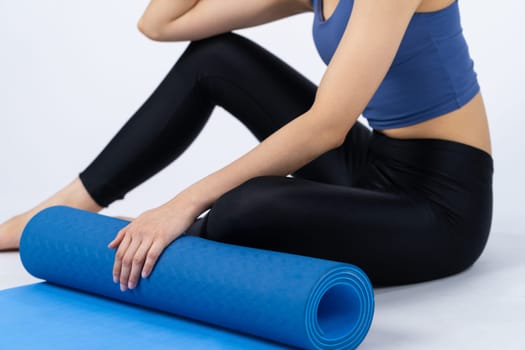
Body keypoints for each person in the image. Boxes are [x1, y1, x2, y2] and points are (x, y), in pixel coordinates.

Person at [0, 0, 493, 292]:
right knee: (216, 58)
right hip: (373, 162)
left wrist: (180, 203)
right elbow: (160, 24)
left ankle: (167, 235)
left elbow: (326, 126)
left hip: (442, 204)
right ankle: (74, 204)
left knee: (246, 206)